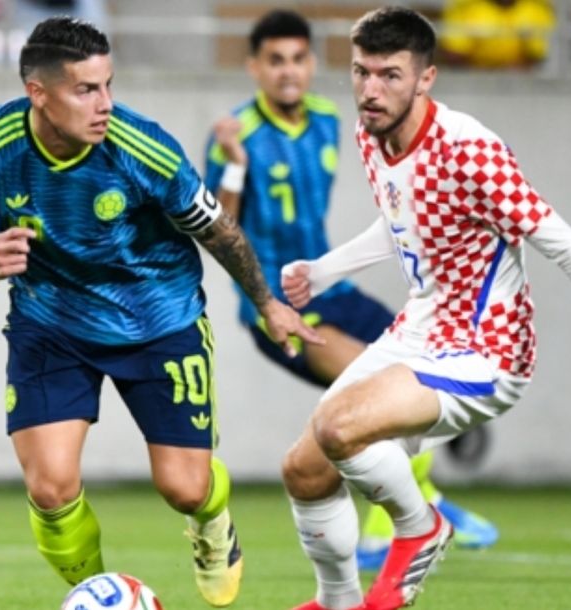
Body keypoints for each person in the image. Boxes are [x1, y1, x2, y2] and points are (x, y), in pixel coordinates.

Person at [279, 7, 571, 610]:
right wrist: (325, 271)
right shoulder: (372, 131)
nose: (371, 90)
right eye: (361, 73)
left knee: (338, 428)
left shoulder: (470, 149)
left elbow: (564, 245)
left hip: (487, 350)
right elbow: (405, 220)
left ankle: (421, 527)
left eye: (389, 75)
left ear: (426, 78)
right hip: (420, 329)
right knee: (303, 468)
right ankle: (338, 602)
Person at [0, 16, 321, 608]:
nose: (105, 105)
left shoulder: (142, 148)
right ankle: (100, 595)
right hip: (51, 324)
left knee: (185, 487)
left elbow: (219, 232)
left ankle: (212, 524)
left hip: (159, 320)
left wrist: (268, 303)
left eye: (109, 85)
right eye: (86, 90)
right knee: (50, 488)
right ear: (37, 94)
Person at [202, 9, 498, 573]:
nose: (288, 72)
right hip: (278, 307)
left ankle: (422, 505)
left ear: (313, 64)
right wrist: (236, 167)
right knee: (376, 400)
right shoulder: (236, 134)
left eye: (297, 59)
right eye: (275, 61)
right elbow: (221, 229)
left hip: (331, 289)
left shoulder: (330, 120)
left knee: (425, 365)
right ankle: (386, 532)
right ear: (254, 68)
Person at [439, 0, 556, 70]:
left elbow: (538, 56)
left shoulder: (536, 8)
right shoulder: (465, 6)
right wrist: (487, 74)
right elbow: (453, 54)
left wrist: (512, 71)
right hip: (474, 81)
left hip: (524, 86)